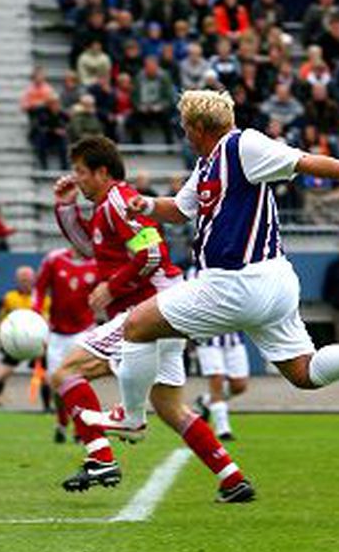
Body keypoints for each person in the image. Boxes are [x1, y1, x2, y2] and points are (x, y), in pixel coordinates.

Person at [96, 92, 339, 425]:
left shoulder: (243, 145)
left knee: (137, 326)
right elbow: (182, 210)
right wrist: (148, 206)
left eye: (185, 127)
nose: (184, 134)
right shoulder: (207, 163)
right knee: (304, 372)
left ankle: (131, 417)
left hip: (236, 282)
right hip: (272, 283)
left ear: (199, 128)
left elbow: (302, 160)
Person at [51, 135, 254, 502]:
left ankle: (100, 457)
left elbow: (153, 254)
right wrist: (66, 210)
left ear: (101, 172)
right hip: (165, 312)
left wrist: (111, 288)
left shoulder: (122, 201)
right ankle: (231, 478)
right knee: (169, 406)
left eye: (81, 172)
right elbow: (91, 248)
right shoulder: (107, 208)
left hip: (149, 313)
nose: (76, 178)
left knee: (66, 372)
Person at [33, 246, 99, 443]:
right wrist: (36, 315)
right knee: (57, 383)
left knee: (79, 383)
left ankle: (80, 429)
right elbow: (39, 289)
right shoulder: (54, 259)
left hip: (84, 331)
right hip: (57, 334)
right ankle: (62, 422)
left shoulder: (97, 263)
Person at [0, 267, 44, 416]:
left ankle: (47, 408)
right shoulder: (9, 297)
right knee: (2, 374)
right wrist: (1, 338)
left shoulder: (41, 297)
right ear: (17, 280)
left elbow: (47, 320)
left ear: (33, 279)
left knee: (46, 377)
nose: (25, 282)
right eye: (22, 279)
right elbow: (2, 319)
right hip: (15, 344)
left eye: (28, 279)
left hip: (36, 343)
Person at [194, 332, 250, 442]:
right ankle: (223, 430)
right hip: (208, 340)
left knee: (239, 386)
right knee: (217, 381)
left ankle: (204, 401)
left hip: (235, 340)